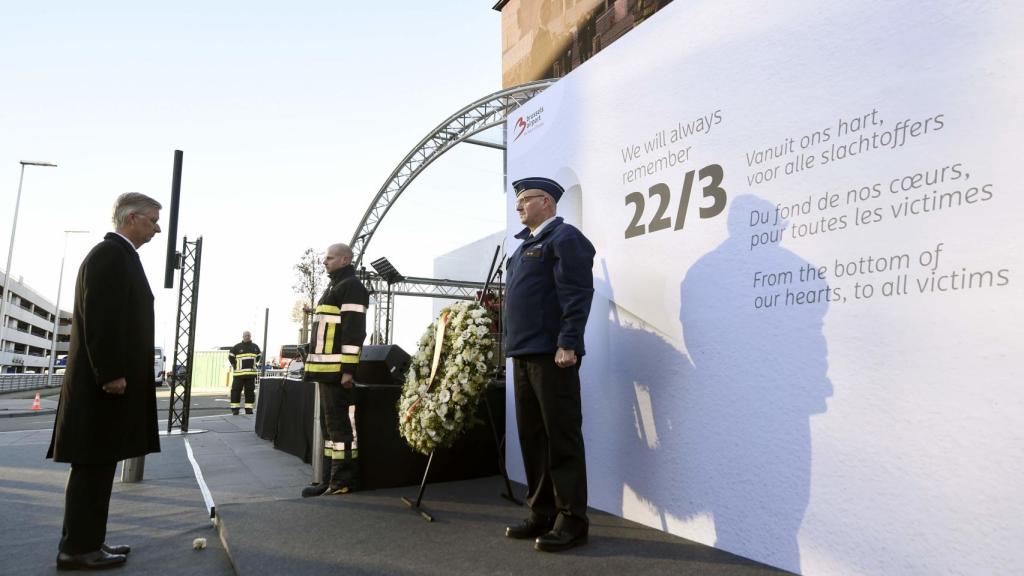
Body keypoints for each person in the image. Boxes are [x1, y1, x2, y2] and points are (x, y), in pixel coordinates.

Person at [47, 193, 163, 570]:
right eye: (152, 220)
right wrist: (111, 373)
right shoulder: (110, 256)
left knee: (99, 468)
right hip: (102, 387)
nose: (157, 228)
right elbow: (102, 319)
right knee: (92, 468)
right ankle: (77, 548)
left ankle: (88, 541)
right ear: (131, 218)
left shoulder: (120, 256)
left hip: (105, 387)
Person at [503, 176, 595, 552]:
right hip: (523, 354)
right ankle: (541, 511)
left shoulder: (565, 238)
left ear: (547, 202)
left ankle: (572, 520)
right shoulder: (523, 247)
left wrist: (568, 342)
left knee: (561, 437)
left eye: (525, 200)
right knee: (532, 438)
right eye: (518, 201)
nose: (518, 206)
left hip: (552, 354)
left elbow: (576, 293)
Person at [300, 243, 369, 497]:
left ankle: (343, 481)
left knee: (340, 429)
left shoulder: (351, 287)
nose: (324, 262)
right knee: (330, 430)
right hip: (324, 370)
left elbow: (354, 331)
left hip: (337, 372)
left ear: (344, 259)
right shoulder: (335, 286)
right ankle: (330, 479)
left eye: (329, 258)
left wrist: (348, 370)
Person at [228, 331, 261, 414]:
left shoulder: (255, 347)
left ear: (251, 336)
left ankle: (249, 409)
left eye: (249, 335)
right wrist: (235, 366)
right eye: (246, 335)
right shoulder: (237, 347)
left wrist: (253, 364)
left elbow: (259, 356)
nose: (247, 337)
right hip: (239, 374)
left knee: (250, 392)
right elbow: (231, 356)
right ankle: (235, 409)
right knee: (236, 391)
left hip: (250, 374)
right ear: (243, 336)